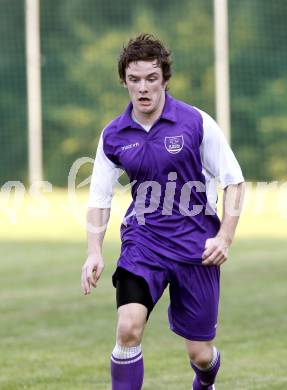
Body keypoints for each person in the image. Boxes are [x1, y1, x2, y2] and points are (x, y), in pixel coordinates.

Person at [81, 33, 245, 390]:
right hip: (144, 243)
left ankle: (205, 382)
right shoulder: (114, 134)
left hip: (196, 248)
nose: (143, 88)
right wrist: (93, 252)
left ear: (165, 80)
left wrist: (225, 236)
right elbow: (99, 198)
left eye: (151, 78)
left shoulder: (195, 122)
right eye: (135, 79)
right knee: (127, 329)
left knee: (200, 354)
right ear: (124, 81)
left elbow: (234, 181)